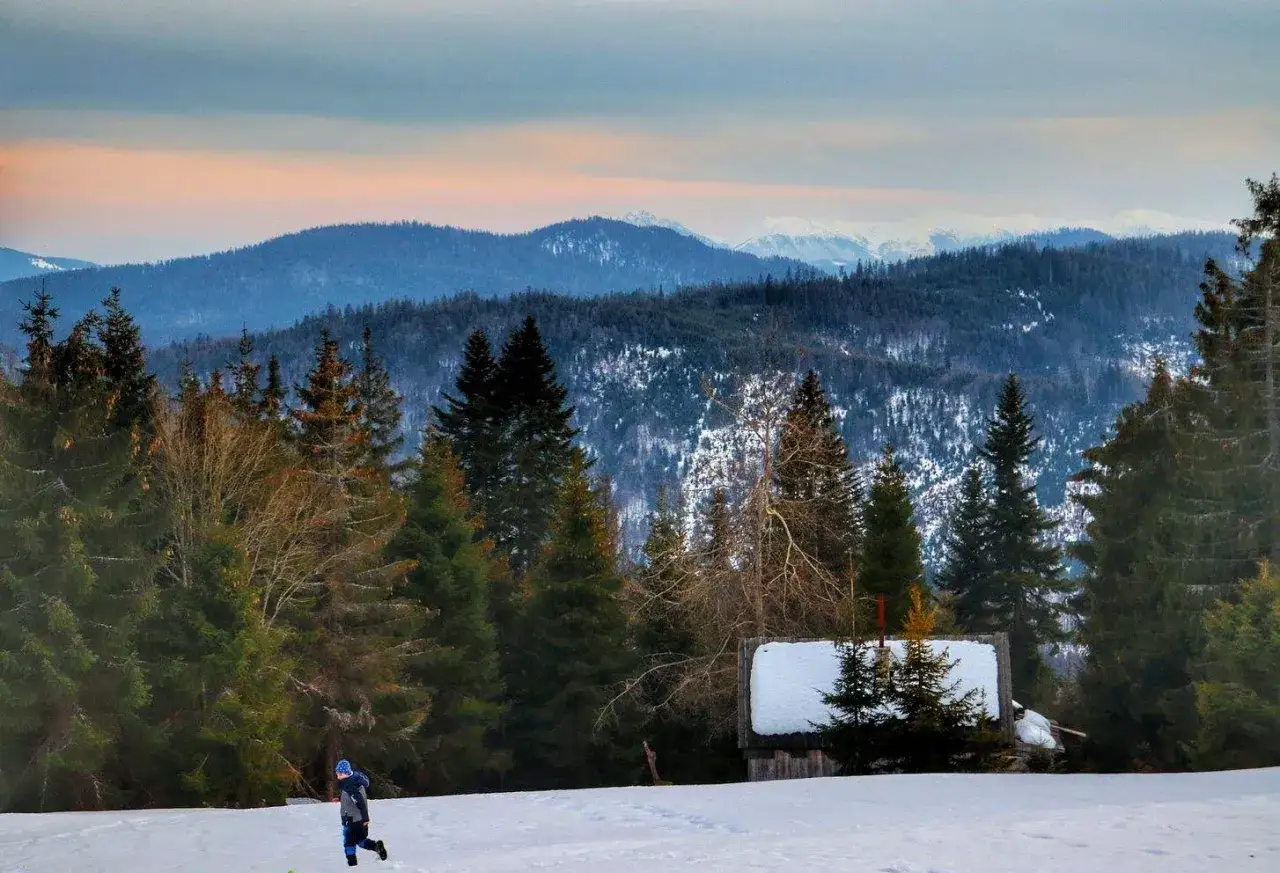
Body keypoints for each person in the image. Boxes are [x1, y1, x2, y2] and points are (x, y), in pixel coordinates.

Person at [335, 759, 388, 866]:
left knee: (349, 843)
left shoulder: (350, 785)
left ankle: (352, 864)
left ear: (346, 773)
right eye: (337, 773)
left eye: (340, 774)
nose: (337, 776)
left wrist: (365, 817)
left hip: (351, 820)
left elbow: (359, 802)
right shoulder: (355, 779)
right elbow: (352, 798)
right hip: (359, 819)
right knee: (360, 840)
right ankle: (376, 846)